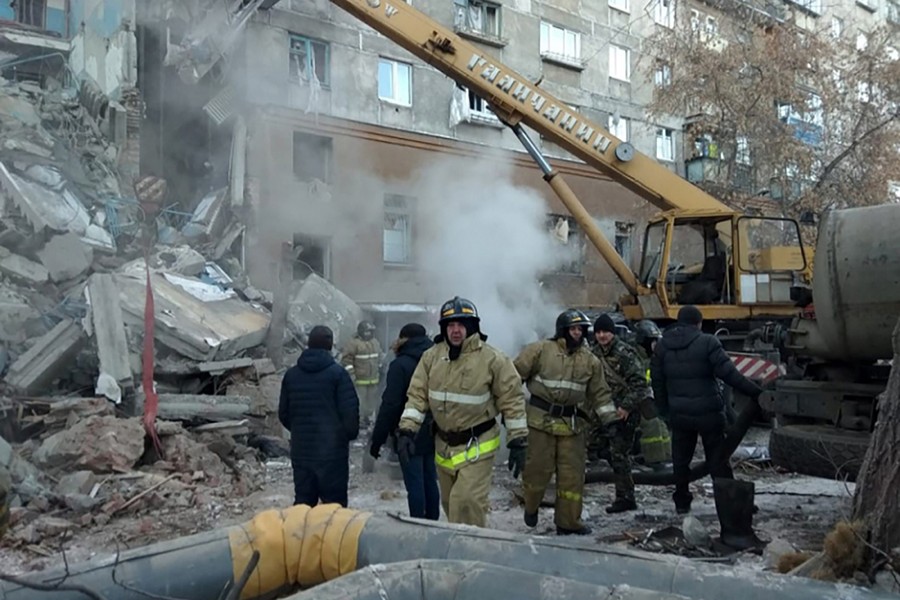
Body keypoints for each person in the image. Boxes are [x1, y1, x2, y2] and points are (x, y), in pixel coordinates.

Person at [396, 296, 528, 528]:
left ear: (472, 327)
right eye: (450, 325)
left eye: (461, 324)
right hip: (443, 446)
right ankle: (459, 543)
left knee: (466, 503)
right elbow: (417, 396)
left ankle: (471, 548)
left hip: (477, 446)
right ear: (443, 328)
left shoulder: (493, 359)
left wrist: (518, 440)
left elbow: (512, 399)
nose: (455, 330)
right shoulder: (431, 357)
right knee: (450, 505)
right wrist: (407, 430)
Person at [650, 305, 762, 518]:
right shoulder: (708, 342)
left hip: (680, 414)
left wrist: (665, 411)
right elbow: (730, 375)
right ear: (699, 323)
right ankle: (729, 502)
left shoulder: (663, 346)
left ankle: (682, 502)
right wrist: (757, 393)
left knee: (680, 461)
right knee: (718, 460)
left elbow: (658, 382)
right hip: (708, 413)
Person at [514, 309, 618, 535]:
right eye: (573, 329)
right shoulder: (540, 350)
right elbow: (512, 379)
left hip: (572, 426)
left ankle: (568, 522)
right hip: (540, 422)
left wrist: (610, 420)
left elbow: (600, 393)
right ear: (562, 330)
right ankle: (531, 506)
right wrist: (510, 413)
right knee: (537, 472)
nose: (577, 333)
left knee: (572, 477)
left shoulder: (590, 361)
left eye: (581, 329)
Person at [279, 325, 359, 507]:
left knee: (303, 505)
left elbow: (284, 413)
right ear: (330, 345)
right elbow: (350, 413)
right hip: (332, 453)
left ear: (308, 343)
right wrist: (344, 437)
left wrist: (300, 431)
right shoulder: (338, 374)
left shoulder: (291, 375)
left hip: (302, 451)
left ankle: (302, 527)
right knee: (334, 507)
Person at [369, 323, 440, 520]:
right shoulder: (436, 360)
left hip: (408, 431)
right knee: (430, 479)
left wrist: (377, 439)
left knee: (415, 482)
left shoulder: (400, 365)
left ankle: (417, 523)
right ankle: (433, 522)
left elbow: (390, 404)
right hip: (433, 428)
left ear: (403, 339)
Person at [592, 313, 649, 514]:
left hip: (623, 413)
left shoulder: (625, 353)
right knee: (598, 447)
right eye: (598, 332)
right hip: (602, 412)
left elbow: (640, 385)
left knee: (619, 455)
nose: (602, 336)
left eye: (605, 332)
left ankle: (625, 497)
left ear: (613, 333)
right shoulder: (594, 353)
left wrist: (625, 407)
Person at [632, 320, 672, 470]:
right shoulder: (634, 359)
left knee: (661, 423)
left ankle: (666, 455)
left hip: (649, 398)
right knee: (652, 424)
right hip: (636, 399)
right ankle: (654, 459)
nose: (655, 345)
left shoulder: (652, 358)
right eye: (652, 341)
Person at [341, 320, 383, 426]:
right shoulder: (353, 343)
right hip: (359, 381)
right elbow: (347, 361)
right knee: (360, 402)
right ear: (361, 331)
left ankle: (369, 419)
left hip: (373, 380)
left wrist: (380, 368)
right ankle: (358, 421)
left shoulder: (375, 342)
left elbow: (379, 357)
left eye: (371, 331)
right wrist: (352, 376)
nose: (369, 334)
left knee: (371, 402)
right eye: (367, 331)